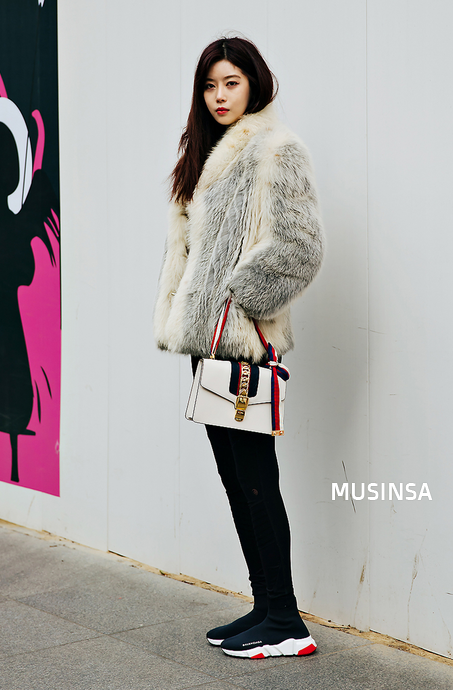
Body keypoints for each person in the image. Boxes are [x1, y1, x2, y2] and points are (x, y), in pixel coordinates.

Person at [153, 36, 325, 658]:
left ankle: (287, 623)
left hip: (242, 343)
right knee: (235, 480)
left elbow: (301, 248)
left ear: (255, 83)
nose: (220, 96)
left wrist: (239, 300)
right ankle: (265, 606)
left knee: (256, 481)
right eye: (210, 85)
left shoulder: (277, 150)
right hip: (207, 343)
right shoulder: (205, 155)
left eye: (231, 82)